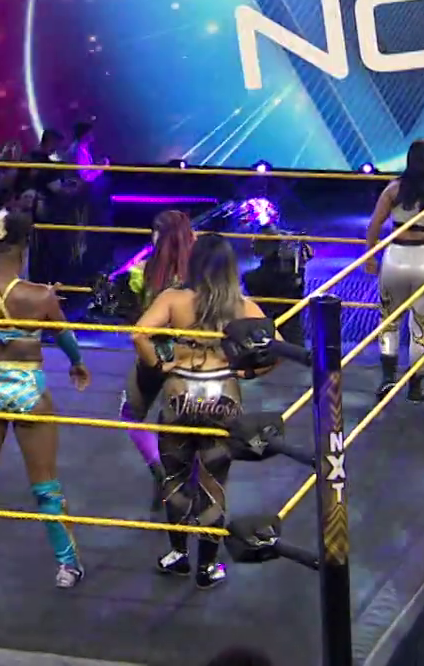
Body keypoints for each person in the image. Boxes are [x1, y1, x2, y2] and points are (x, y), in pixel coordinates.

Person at [0, 209, 88, 590]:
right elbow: (64, 335)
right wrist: (77, 364)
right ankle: (67, 565)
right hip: (28, 389)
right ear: (25, 247)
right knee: (46, 486)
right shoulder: (40, 295)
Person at [132, 234, 275, 588]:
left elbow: (139, 335)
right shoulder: (242, 306)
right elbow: (277, 347)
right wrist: (248, 372)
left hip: (180, 393)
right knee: (213, 483)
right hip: (221, 396)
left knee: (176, 477)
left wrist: (159, 366)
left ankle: (178, 554)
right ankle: (207, 566)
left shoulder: (174, 299)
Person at [363, 139, 424, 401]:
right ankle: (416, 387)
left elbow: (373, 225)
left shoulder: (394, 189)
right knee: (422, 325)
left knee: (389, 321)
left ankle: (387, 380)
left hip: (395, 258)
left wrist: (369, 256)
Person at [119, 209, 195, 500]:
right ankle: (185, 480)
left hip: (155, 353)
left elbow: (138, 321)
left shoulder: (145, 272)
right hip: (191, 355)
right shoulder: (199, 273)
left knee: (130, 413)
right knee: (193, 424)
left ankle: (161, 469)